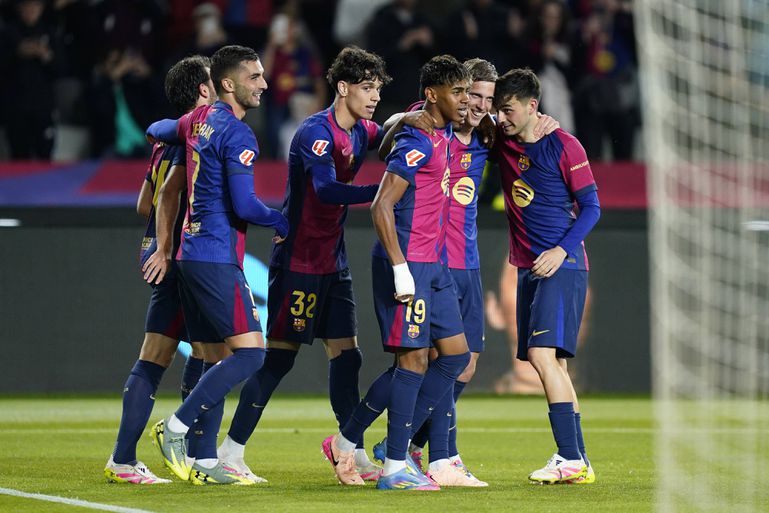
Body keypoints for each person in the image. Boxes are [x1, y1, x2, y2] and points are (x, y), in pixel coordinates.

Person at [217, 46, 432, 484]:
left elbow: (386, 131)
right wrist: (381, 192)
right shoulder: (317, 133)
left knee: (347, 355)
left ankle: (347, 447)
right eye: (366, 87)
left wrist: (408, 117)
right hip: (299, 260)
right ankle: (230, 451)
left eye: (377, 88)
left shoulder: (360, 131)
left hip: (332, 261)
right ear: (342, 87)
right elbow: (326, 190)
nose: (373, 96)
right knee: (278, 360)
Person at [322, 55, 473, 491]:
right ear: (433, 94)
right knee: (411, 360)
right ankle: (394, 468)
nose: (464, 101)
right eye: (457, 92)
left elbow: (390, 128)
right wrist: (401, 270)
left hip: (436, 262)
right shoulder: (419, 139)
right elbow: (380, 204)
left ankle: (357, 440)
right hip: (407, 262)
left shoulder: (440, 132)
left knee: (456, 357)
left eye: (467, 92)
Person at [143, 45, 288, 486]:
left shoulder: (197, 121)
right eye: (255, 76)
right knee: (252, 353)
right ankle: (178, 427)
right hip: (215, 256)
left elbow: (156, 128)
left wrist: (181, 134)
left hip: (190, 254)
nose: (264, 83)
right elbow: (245, 203)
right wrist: (282, 218)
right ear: (229, 83)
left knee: (213, 355)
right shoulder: (240, 135)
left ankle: (205, 460)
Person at [104, 55, 216, 485]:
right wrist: (169, 247)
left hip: (160, 250)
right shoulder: (195, 138)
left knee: (166, 354)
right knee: (220, 350)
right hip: (183, 255)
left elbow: (143, 205)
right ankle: (188, 452)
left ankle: (132, 456)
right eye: (215, 81)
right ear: (204, 90)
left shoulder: (163, 141)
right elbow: (169, 196)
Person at [493, 68, 600, 484]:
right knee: (553, 362)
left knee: (541, 356)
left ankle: (569, 457)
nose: (502, 117)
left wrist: (561, 250)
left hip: (562, 265)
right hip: (528, 268)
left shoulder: (565, 145)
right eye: (499, 110)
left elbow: (591, 207)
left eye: (509, 109)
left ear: (532, 106)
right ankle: (580, 460)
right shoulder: (501, 139)